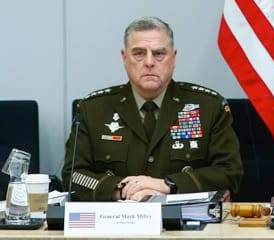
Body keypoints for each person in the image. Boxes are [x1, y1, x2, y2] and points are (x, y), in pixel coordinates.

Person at [62, 17, 243, 201]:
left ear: (173, 57)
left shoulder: (208, 107)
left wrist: (166, 186)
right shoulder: (93, 109)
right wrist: (122, 190)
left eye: (159, 54)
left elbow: (229, 172)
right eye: (139, 53)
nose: (149, 62)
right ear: (124, 58)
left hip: (184, 218)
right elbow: (73, 176)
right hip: (117, 216)